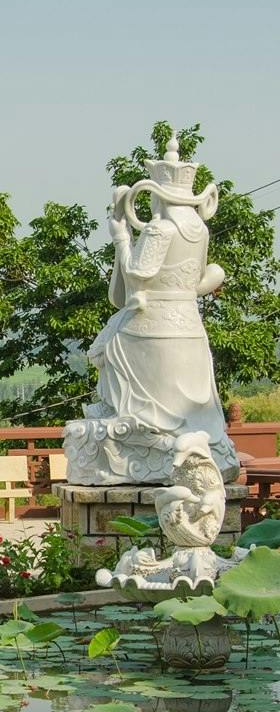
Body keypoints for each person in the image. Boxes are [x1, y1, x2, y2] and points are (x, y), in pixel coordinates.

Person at [65, 135, 238, 486]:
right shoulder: (198, 229)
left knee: (108, 345)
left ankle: (139, 430)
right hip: (188, 325)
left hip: (153, 326)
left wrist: (120, 236)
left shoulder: (161, 228)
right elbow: (199, 280)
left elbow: (136, 277)